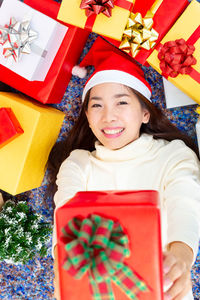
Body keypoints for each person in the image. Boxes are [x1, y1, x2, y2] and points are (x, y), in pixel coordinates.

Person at [47, 37, 200, 300]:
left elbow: (185, 205)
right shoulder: (78, 164)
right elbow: (67, 224)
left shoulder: (174, 156)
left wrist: (180, 258)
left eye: (122, 102)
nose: (109, 116)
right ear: (87, 117)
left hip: (163, 288)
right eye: (97, 105)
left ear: (145, 113)